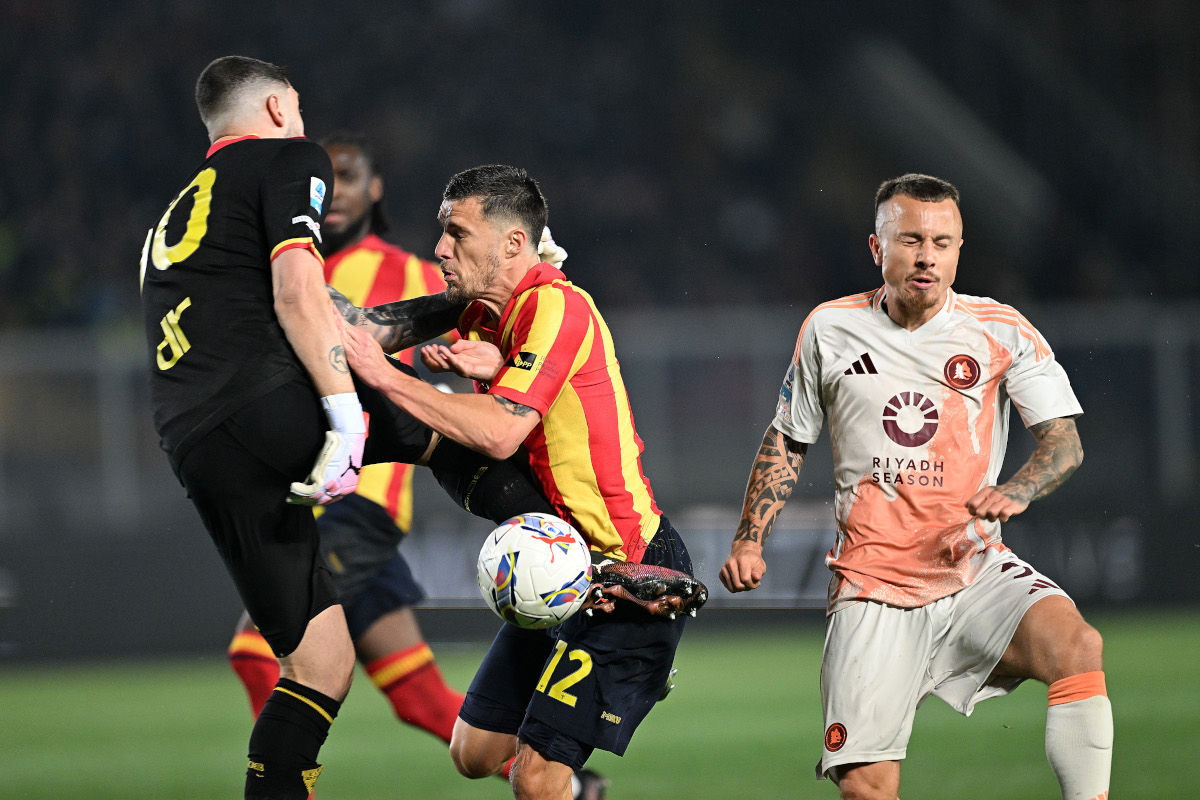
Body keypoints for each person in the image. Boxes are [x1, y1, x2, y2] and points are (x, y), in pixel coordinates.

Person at [141, 57, 555, 800]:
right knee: (448, 432)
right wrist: (340, 416)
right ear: (275, 110)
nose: (305, 127)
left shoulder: (175, 220)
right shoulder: (287, 158)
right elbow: (300, 293)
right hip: (272, 407)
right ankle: (585, 563)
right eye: (297, 109)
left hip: (198, 447)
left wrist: (463, 303)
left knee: (318, 664)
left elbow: (354, 325)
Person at [719, 173, 1112, 800]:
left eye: (942, 241)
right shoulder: (829, 328)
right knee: (867, 787)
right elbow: (788, 440)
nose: (927, 255)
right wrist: (749, 539)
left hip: (971, 564)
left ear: (960, 250)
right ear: (878, 249)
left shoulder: (1002, 331)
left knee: (1076, 644)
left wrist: (1021, 488)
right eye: (910, 240)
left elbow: (1064, 443)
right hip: (872, 583)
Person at [340, 164, 692, 800]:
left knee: (537, 780)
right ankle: (638, 674)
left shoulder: (557, 304)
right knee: (473, 753)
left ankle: (641, 661)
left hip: (629, 568)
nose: (440, 249)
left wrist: (389, 377)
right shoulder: (484, 314)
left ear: (511, 243)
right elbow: (372, 329)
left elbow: (500, 433)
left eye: (457, 233)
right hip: (563, 570)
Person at [225, 132, 467, 766]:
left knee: (257, 656)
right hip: (308, 491)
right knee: (420, 697)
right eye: (325, 181)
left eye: (351, 177)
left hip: (354, 503)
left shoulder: (413, 273)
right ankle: (570, 784)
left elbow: (464, 334)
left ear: (375, 188)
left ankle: (281, 781)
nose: (336, 193)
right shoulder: (292, 273)